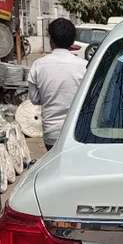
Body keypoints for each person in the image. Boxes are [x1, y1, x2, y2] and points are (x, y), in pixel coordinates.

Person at [28, 18, 86, 150]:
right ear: (72, 41)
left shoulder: (38, 65)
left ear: (51, 40)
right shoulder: (84, 66)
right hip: (78, 132)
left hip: (51, 134)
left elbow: (35, 99)